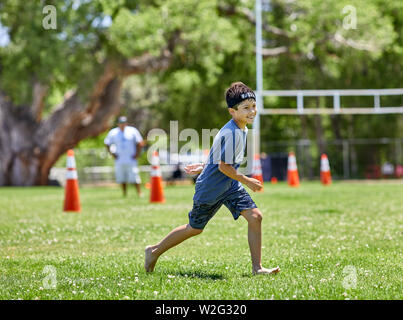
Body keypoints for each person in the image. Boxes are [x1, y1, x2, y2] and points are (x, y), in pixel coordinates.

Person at [145, 82, 280, 275]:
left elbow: (218, 156)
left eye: (253, 106)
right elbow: (223, 166)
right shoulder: (233, 132)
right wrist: (247, 180)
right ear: (232, 111)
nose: (252, 111)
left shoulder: (241, 127)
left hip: (229, 185)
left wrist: (203, 165)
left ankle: (257, 268)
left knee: (255, 217)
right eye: (246, 108)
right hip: (211, 188)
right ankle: (153, 251)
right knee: (194, 228)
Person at [104, 116, 144, 197]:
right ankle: (124, 193)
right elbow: (107, 143)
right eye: (121, 123)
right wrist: (112, 154)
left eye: (124, 123)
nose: (122, 125)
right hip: (119, 159)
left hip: (131, 158)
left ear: (126, 123)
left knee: (134, 176)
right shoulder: (113, 132)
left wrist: (137, 154)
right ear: (118, 124)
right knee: (121, 177)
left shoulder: (132, 131)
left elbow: (140, 143)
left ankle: (139, 193)